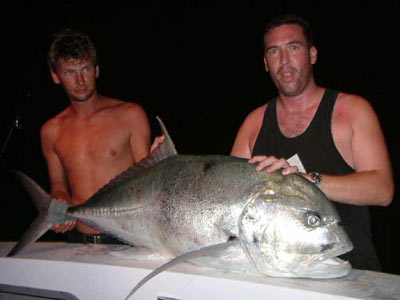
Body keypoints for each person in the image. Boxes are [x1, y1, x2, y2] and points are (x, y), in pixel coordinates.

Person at [231, 14, 394, 271]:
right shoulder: (254, 123)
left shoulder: (352, 111)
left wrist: (306, 181)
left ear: (312, 54)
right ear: (265, 63)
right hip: (272, 273)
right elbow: (230, 195)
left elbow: (382, 190)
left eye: (293, 48)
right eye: (274, 52)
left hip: (348, 271)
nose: (284, 60)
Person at [41, 30, 151, 244]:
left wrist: (161, 163)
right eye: (70, 72)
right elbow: (59, 187)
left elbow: (148, 182)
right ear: (56, 76)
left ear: (97, 70)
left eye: (85, 69)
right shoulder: (50, 131)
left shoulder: (130, 115)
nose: (80, 80)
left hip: (126, 240)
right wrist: (60, 201)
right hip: (76, 240)